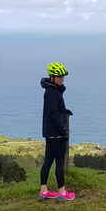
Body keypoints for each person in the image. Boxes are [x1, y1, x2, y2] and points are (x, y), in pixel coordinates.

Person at [39, 62, 74, 201]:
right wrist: (63, 131)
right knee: (59, 161)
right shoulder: (52, 92)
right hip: (56, 133)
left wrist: (64, 111)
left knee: (48, 161)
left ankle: (44, 191)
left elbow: (54, 110)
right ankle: (62, 193)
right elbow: (52, 114)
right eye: (59, 76)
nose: (62, 79)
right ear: (52, 77)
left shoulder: (51, 90)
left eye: (63, 76)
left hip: (49, 132)